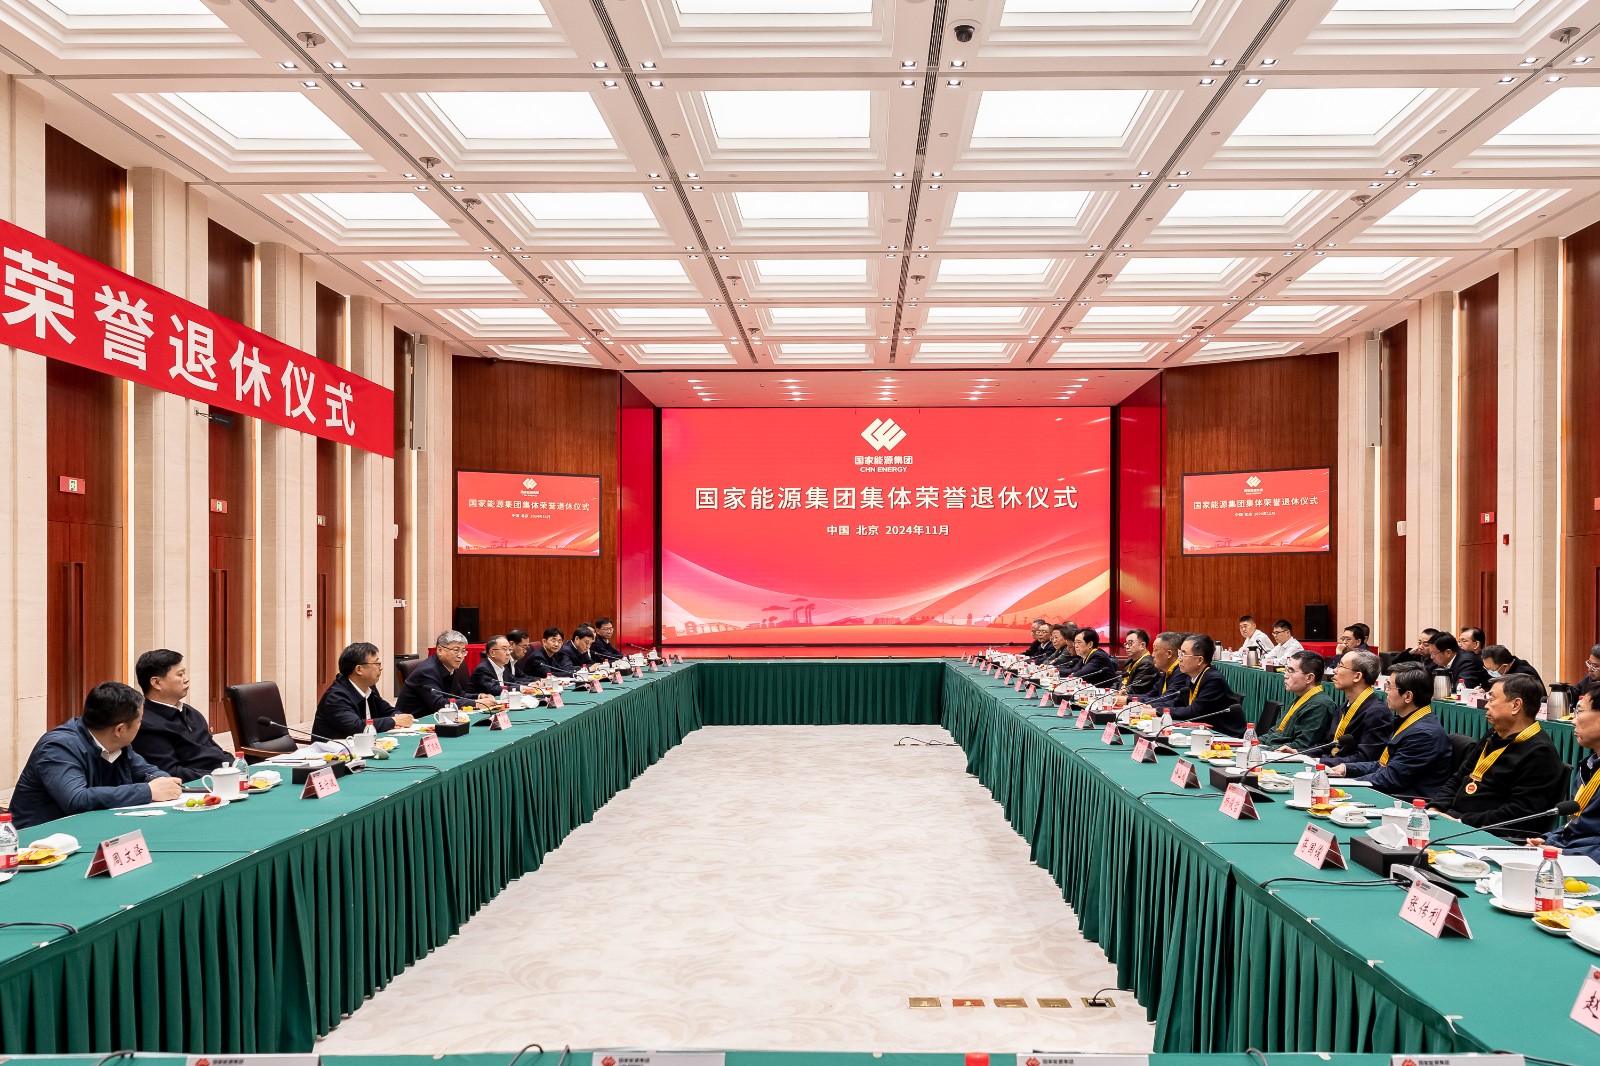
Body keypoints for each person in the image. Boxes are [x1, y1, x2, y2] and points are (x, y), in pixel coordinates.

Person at [9, 681, 182, 830]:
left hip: (89, 831)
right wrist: (147, 791)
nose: (140, 726)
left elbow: (147, 772)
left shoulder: (120, 745)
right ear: (119, 729)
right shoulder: (58, 747)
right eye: (139, 721)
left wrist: (163, 782)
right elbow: (76, 799)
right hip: (38, 842)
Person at [1432, 673, 1566, 833]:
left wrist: (1461, 822)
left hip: (1487, 833)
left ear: (1516, 705)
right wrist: (1435, 808)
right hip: (1455, 820)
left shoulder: (1539, 752)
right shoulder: (1493, 734)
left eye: (1491, 699)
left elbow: (1519, 813)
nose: (1486, 706)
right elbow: (1459, 778)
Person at [1328, 662, 1454, 803]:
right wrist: (1346, 768)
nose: (1385, 691)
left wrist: (1348, 783)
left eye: (1389, 687)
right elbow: (1383, 766)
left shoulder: (1424, 734)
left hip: (1407, 803)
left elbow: (1390, 779)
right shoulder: (1409, 722)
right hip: (1392, 794)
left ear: (1407, 696)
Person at [130, 648, 231, 781]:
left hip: (224, 777)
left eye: (185, 673)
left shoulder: (191, 712)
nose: (186, 679)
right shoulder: (146, 724)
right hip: (198, 786)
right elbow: (171, 772)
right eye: (180, 675)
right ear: (157, 683)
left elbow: (215, 752)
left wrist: (234, 767)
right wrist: (219, 777)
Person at [1530, 690, 1600, 859]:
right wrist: (1548, 839)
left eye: (1580, 712)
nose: (1573, 721)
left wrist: (1566, 853)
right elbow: (1579, 824)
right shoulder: (1590, 766)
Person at [314, 642, 414, 737]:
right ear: (359, 669)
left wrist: (400, 717)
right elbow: (356, 726)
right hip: (336, 747)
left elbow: (387, 710)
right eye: (377, 664)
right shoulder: (336, 696)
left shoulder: (368, 687)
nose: (380, 668)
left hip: (366, 743)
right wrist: (393, 721)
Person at [395, 630, 495, 716]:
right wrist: (476, 703)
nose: (460, 656)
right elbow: (439, 704)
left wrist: (480, 696)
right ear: (440, 650)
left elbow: (458, 695)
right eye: (456, 650)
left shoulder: (449, 667)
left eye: (463, 651)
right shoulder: (427, 671)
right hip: (414, 722)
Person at [1323, 650, 1391, 762]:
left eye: (1340, 666)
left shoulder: (1377, 713)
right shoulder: (1344, 706)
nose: (1335, 670)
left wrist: (1320, 761)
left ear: (1357, 676)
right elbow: (1327, 746)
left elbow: (1366, 758)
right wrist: (1299, 753)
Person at [1259, 650, 1335, 750]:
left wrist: (1265, 749)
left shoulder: (1320, 705)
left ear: (1309, 678)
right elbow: (1275, 732)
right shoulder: (1302, 698)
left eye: (1291, 671)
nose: (1285, 675)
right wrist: (1254, 742)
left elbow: (1302, 746)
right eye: (1286, 670)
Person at [1170, 634, 1244, 734]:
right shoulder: (1191, 677)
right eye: (1180, 653)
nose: (1179, 659)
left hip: (1227, 736)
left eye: (1184, 654)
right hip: (1204, 733)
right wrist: (1154, 708)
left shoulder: (1214, 680)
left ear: (1199, 660)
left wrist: (1159, 711)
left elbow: (1194, 712)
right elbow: (1177, 703)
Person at [1140, 631, 1192, 706]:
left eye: (1155, 650)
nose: (1152, 655)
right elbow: (1151, 694)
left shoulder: (1182, 672)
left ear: (1169, 654)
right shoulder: (1167, 671)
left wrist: (1132, 701)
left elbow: (1167, 699)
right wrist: (1129, 699)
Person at [1120, 629, 1161, 696]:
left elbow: (1135, 689)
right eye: (1126, 644)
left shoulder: (1148, 664)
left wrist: (1118, 692)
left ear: (1142, 645)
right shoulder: (1129, 661)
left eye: (1130, 643)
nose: (1127, 647)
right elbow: (1119, 681)